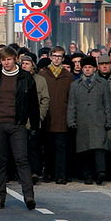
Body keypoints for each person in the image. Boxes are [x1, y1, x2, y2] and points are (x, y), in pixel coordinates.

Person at [0, 47, 39, 210]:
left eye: (9, 59)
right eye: (3, 60)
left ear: (15, 59)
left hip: (17, 124)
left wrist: (34, 126)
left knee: (22, 160)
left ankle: (29, 196)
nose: (6, 63)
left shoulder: (25, 78)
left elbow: (33, 104)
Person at [67, 56, 111, 185]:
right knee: (84, 150)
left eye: (90, 67)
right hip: (82, 121)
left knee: (99, 148)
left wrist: (109, 120)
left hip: (98, 120)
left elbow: (107, 104)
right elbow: (72, 105)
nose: (87, 70)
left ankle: (100, 173)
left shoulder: (102, 83)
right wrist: (71, 121)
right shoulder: (75, 85)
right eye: (85, 67)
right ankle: (87, 175)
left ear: (95, 69)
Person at [40, 46, 72, 184]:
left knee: (61, 148)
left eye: (60, 57)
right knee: (48, 148)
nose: (57, 59)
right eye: (54, 56)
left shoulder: (68, 76)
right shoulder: (43, 74)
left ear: (63, 58)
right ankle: (48, 172)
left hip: (63, 117)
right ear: (50, 57)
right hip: (47, 116)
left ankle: (61, 175)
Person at [20, 53, 49, 183]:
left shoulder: (40, 80)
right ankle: (22, 174)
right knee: (21, 149)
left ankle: (34, 172)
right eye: (22, 64)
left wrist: (40, 116)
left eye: (27, 63)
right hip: (20, 121)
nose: (24, 66)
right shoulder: (17, 79)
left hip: (34, 120)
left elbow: (45, 99)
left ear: (33, 65)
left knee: (34, 148)